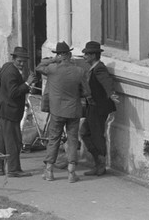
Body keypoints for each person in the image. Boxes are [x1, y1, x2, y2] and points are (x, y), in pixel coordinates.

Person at [36, 41, 89, 183]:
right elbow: (86, 91)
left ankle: (49, 171)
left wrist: (54, 59)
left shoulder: (52, 69)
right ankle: (71, 172)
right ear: (70, 54)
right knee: (72, 140)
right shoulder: (79, 71)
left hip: (57, 111)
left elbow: (39, 66)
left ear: (58, 55)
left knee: (54, 139)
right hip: (73, 110)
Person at [0, 47, 36, 178]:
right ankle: (13, 169)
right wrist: (27, 84)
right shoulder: (11, 72)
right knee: (13, 140)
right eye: (19, 61)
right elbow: (13, 92)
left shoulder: (7, 67)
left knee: (2, 139)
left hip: (5, 109)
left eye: (24, 61)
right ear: (13, 59)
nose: (22, 64)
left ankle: (0, 167)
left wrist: (24, 84)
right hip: (10, 110)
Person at [80, 41, 119, 176]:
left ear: (93, 55)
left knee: (96, 136)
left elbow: (107, 82)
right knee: (84, 133)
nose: (84, 56)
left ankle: (100, 165)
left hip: (98, 109)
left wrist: (111, 94)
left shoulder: (99, 68)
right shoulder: (92, 68)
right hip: (92, 107)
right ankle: (98, 161)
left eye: (86, 54)